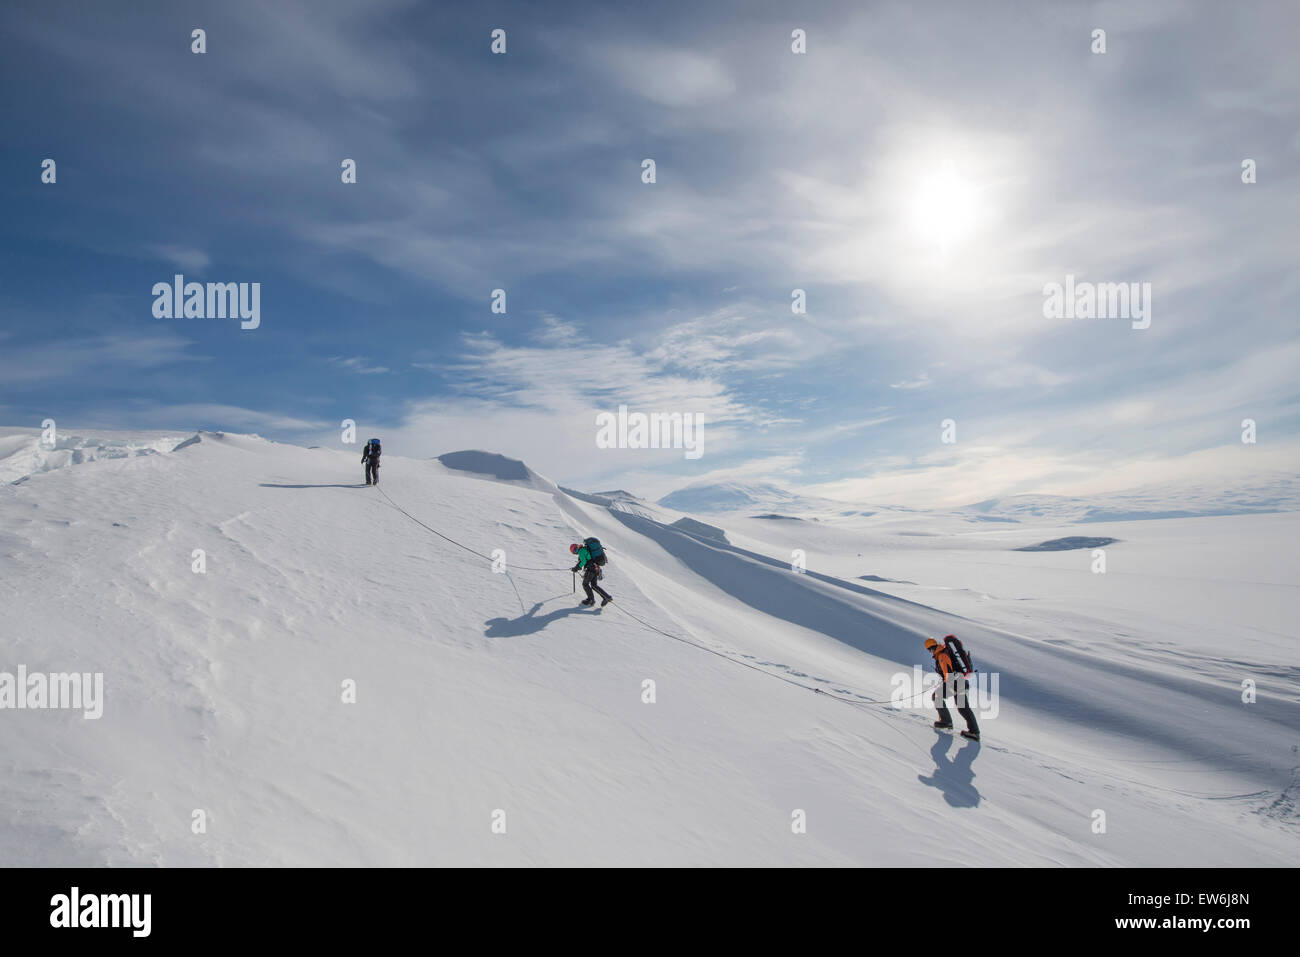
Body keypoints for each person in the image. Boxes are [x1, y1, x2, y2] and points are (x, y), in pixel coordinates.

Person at [926, 636, 979, 741]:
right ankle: (974, 732)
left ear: (931, 648)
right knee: (963, 708)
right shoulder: (944, 652)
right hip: (961, 682)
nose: (930, 652)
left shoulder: (941, 655)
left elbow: (948, 671)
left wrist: (946, 683)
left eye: (929, 650)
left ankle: (946, 721)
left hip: (954, 683)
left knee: (936, 696)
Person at [570, 541, 612, 607]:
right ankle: (606, 597)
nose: (576, 550)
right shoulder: (584, 549)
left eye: (576, 548)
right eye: (574, 550)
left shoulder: (581, 551)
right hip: (595, 568)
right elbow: (584, 560)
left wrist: (576, 568)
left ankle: (591, 600)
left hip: (590, 568)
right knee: (594, 585)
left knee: (585, 584)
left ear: (578, 546)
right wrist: (577, 567)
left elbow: (583, 561)